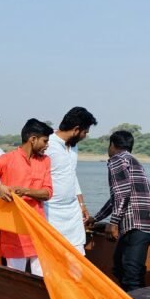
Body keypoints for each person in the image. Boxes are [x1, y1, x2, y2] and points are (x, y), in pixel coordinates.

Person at [0, 119, 53, 275]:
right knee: (15, 277)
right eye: (45, 141)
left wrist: (25, 191)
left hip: (37, 229)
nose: (47, 145)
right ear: (33, 139)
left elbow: (48, 193)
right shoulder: (6, 159)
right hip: (13, 232)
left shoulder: (45, 161)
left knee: (42, 278)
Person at [87, 131, 150, 291]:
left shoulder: (117, 160)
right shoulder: (131, 160)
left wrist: (113, 222)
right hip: (143, 222)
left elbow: (122, 193)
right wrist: (96, 218)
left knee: (130, 274)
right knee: (120, 267)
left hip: (137, 223)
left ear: (112, 145)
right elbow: (118, 196)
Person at [45, 106, 98, 255]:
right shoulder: (47, 144)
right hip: (50, 212)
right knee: (52, 254)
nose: (85, 136)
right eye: (85, 132)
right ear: (76, 130)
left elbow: (71, 175)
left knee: (77, 255)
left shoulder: (73, 147)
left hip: (72, 213)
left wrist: (82, 205)